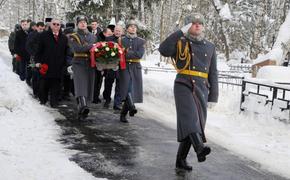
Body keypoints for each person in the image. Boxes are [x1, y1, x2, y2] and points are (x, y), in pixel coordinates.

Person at [159, 13, 219, 171]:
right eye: (193, 23)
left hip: (202, 87)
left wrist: (214, 96)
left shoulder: (210, 46)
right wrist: (180, 32)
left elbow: (213, 72)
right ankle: (200, 148)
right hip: (183, 84)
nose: (197, 25)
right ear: (187, 26)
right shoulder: (180, 41)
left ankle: (181, 160)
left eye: (200, 23)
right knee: (191, 118)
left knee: (195, 123)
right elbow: (163, 50)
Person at [34, 18, 68, 107]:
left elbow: (65, 52)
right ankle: (43, 101)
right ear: (50, 25)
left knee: (56, 86)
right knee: (44, 86)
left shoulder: (64, 38)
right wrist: (37, 62)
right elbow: (38, 50)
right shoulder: (43, 36)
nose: (56, 26)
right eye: (54, 24)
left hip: (58, 67)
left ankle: (54, 102)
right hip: (46, 66)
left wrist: (65, 65)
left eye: (58, 24)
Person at [68, 16, 96, 120]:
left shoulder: (92, 36)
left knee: (88, 85)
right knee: (80, 85)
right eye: (80, 22)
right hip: (78, 62)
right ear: (77, 24)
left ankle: (83, 108)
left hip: (90, 63)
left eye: (84, 22)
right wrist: (91, 46)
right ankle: (83, 106)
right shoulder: (73, 36)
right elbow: (77, 49)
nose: (83, 24)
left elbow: (96, 49)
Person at [119, 19, 146, 123]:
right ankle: (131, 107)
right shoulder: (121, 40)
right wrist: (128, 53)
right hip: (124, 66)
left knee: (131, 89)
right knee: (128, 88)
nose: (133, 28)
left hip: (135, 67)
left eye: (135, 26)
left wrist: (127, 52)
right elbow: (120, 53)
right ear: (127, 28)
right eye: (131, 26)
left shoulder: (141, 41)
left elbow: (139, 54)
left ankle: (123, 113)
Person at [103, 24, 124, 110]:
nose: (118, 32)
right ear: (113, 31)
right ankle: (107, 99)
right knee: (108, 83)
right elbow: (104, 50)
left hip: (121, 65)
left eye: (119, 31)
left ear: (122, 32)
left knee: (119, 85)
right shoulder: (108, 39)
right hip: (110, 65)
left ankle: (117, 103)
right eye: (116, 30)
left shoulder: (124, 39)